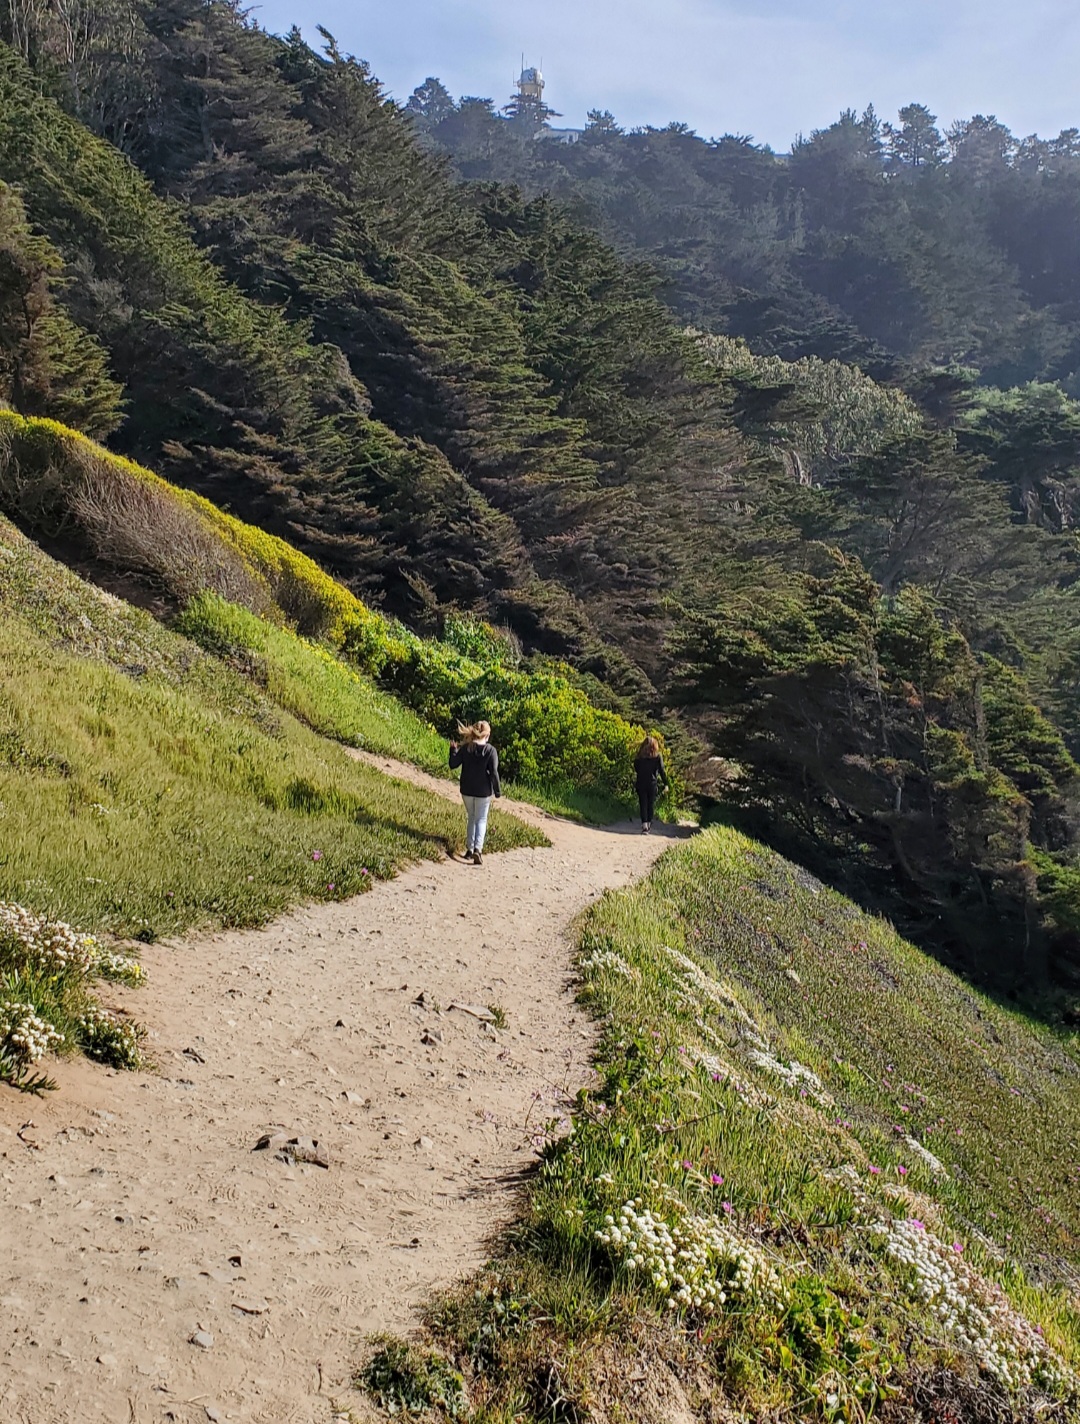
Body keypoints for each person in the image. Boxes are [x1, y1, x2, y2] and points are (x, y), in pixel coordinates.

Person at [449, 720, 501, 865]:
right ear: (487, 735)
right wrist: (497, 791)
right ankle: (478, 849)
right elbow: (494, 773)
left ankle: (469, 850)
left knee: (471, 817)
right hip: (483, 791)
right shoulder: (491, 751)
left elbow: (453, 764)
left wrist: (453, 750)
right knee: (481, 819)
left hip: (467, 789)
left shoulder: (466, 748)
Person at [634, 734, 667, 833]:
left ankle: (644, 824)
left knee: (643, 803)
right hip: (652, 783)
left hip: (641, 782)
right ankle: (648, 823)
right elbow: (662, 770)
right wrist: (666, 783)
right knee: (650, 804)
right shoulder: (657, 757)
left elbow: (636, 767)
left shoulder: (639, 756)